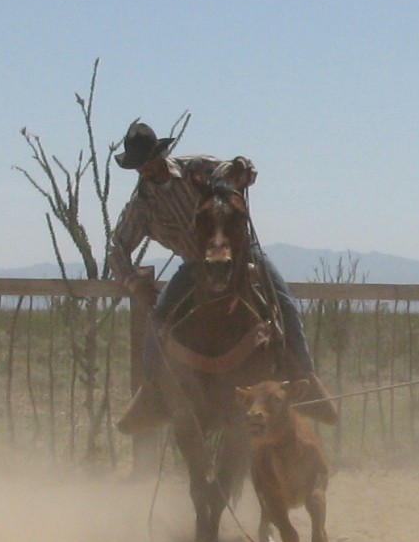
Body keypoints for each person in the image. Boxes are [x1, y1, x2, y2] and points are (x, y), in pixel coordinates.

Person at [107, 120, 331, 433]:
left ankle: (306, 379)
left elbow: (240, 171)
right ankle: (151, 393)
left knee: (285, 303)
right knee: (158, 319)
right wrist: (135, 283)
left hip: (242, 255)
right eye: (139, 165)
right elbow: (116, 247)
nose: (145, 169)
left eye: (148, 161)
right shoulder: (141, 205)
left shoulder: (197, 167)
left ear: (160, 154)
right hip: (195, 264)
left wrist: (241, 167)